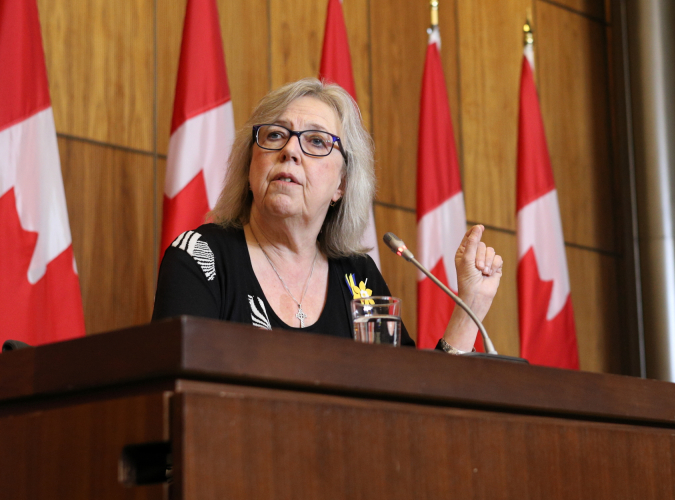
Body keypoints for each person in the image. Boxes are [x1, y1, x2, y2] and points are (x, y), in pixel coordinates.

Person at [152, 78, 503, 353]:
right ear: (249, 166)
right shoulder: (200, 257)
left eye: (317, 142)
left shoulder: (359, 280)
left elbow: (410, 403)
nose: (289, 150)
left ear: (341, 185)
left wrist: (469, 306)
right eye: (275, 135)